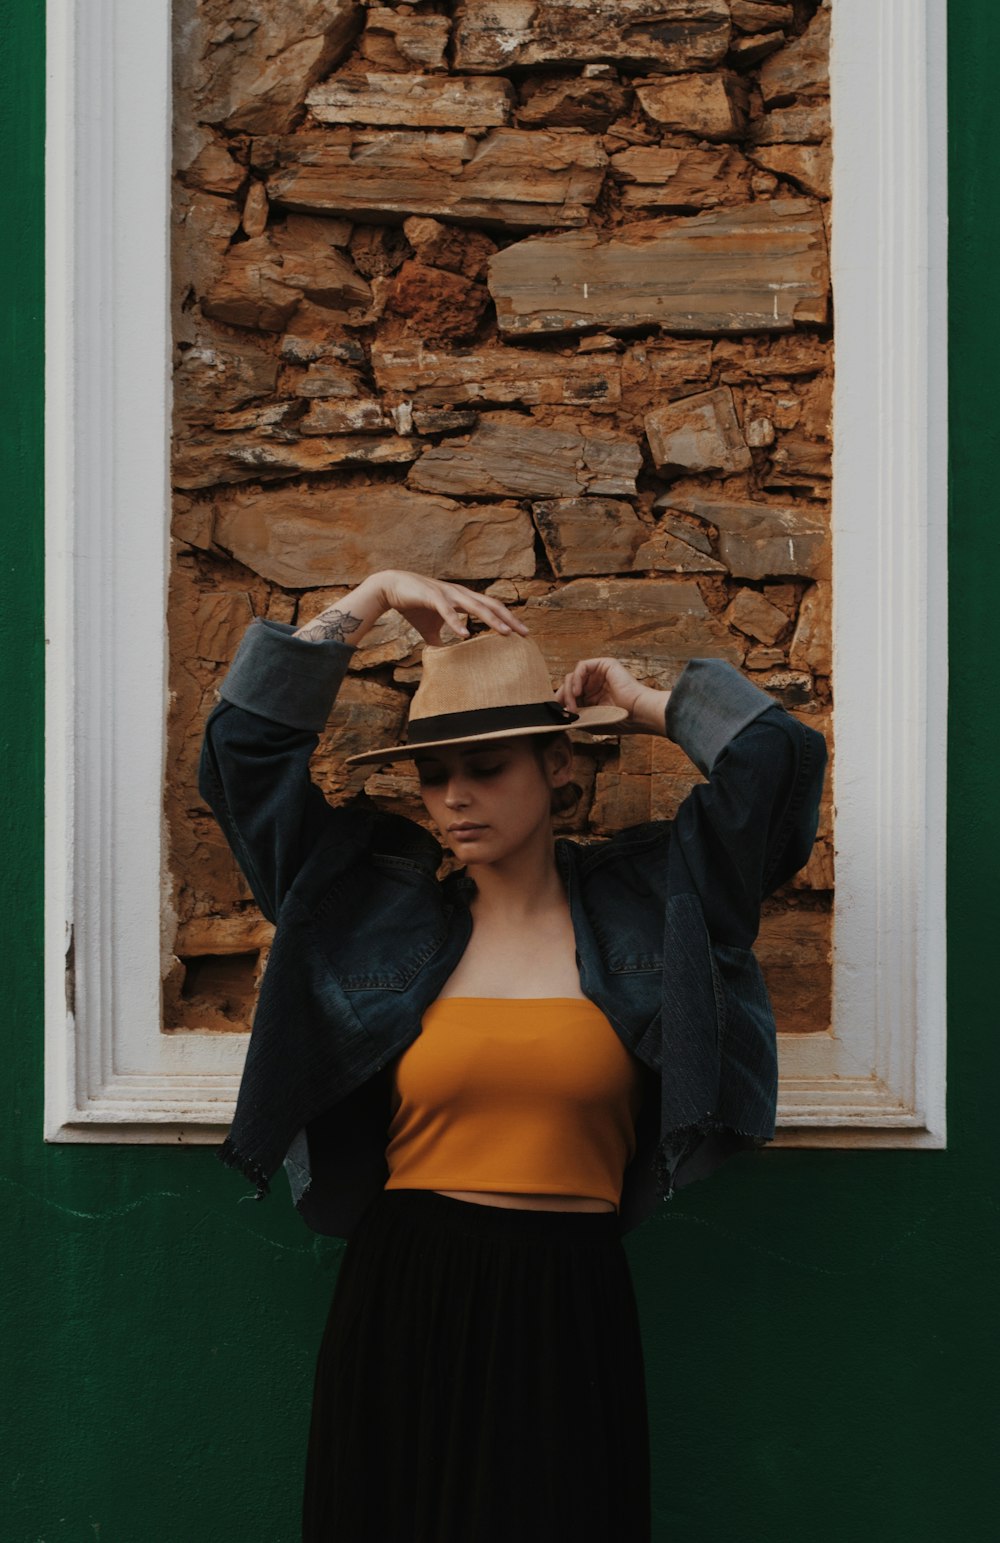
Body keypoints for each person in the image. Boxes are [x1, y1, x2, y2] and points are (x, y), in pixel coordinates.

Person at [198, 568, 828, 1543]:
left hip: (567, 1299)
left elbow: (777, 766)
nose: (454, 799)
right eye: (433, 774)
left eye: (488, 768)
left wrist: (645, 702)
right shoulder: (367, 909)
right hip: (407, 1289)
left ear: (558, 770)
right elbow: (240, 755)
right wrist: (366, 597)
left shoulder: (656, 902)